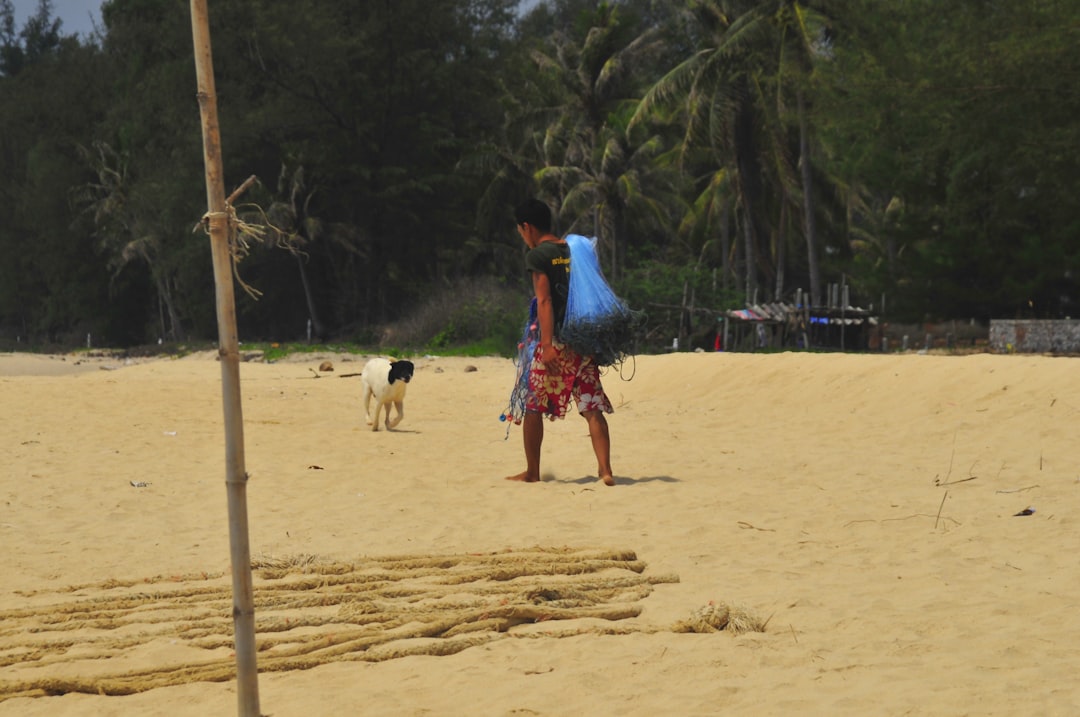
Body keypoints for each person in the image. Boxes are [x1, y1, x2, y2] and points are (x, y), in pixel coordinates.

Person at [505, 198, 615, 486]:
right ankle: (605, 470)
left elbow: (544, 300)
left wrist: (547, 345)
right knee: (592, 407)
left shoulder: (539, 255)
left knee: (532, 404)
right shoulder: (575, 249)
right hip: (584, 339)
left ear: (527, 227)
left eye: (520, 231)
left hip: (557, 342)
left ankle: (531, 472)